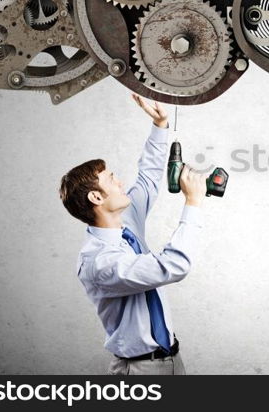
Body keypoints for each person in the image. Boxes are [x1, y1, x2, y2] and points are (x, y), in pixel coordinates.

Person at [58, 93, 206, 375]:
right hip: (139, 371)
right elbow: (173, 266)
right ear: (96, 197)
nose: (120, 181)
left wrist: (160, 124)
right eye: (111, 179)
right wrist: (193, 203)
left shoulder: (125, 223)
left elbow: (148, 177)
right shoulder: (99, 263)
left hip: (172, 360)